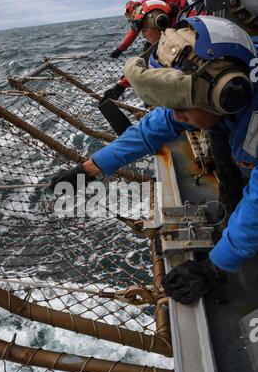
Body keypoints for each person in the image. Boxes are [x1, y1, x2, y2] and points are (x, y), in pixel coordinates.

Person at [51, 16, 258, 305]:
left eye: (181, 108)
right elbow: (155, 127)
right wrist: (91, 168)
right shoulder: (225, 89)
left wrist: (214, 267)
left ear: (225, 95)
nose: (175, 119)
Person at [104, 0, 175, 101]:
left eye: (144, 30)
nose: (142, 35)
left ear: (160, 23)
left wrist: (121, 85)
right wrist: (120, 49)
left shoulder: (148, 12)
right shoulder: (146, 11)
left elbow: (144, 59)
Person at [110, 0, 187, 60]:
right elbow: (133, 33)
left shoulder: (148, 5)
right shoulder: (140, 16)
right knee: (149, 48)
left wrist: (176, 6)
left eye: (129, 15)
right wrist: (120, 49)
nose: (143, 35)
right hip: (169, 23)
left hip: (182, 11)